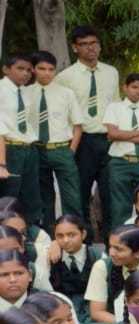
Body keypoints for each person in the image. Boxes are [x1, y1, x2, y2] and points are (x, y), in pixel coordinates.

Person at [55, 26, 119, 235]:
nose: (90, 48)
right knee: (80, 193)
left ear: (99, 46)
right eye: (83, 44)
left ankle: (114, 243)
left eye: (94, 43)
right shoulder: (65, 77)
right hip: (82, 142)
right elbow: (61, 113)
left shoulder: (111, 73)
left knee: (111, 194)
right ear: (75, 48)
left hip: (109, 140)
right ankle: (84, 240)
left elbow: (116, 106)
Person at [29, 51, 84, 230]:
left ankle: (74, 233)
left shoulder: (66, 93)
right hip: (36, 149)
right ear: (33, 69)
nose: (46, 73)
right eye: (41, 68)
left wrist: (71, 150)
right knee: (43, 196)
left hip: (62, 150)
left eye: (51, 69)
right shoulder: (25, 93)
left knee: (72, 195)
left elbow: (77, 125)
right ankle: (49, 235)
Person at [102, 73, 139, 230]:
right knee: (120, 206)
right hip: (121, 163)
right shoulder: (114, 108)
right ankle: (120, 242)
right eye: (134, 87)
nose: (138, 91)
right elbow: (113, 134)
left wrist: (124, 135)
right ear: (125, 88)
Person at [85, 224, 139, 324]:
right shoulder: (102, 266)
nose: (111, 253)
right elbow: (97, 312)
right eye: (110, 247)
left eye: (118, 249)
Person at [1, 55, 36, 215]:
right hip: (9, 149)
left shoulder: (26, 92)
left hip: (28, 149)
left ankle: (27, 234)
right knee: (9, 196)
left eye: (29, 70)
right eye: (20, 69)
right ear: (6, 69)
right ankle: (6, 233)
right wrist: (2, 163)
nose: (25, 74)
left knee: (30, 195)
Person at [0, 250, 34, 314]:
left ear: (30, 275)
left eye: (19, 273)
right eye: (4, 275)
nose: (13, 280)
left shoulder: (47, 303)